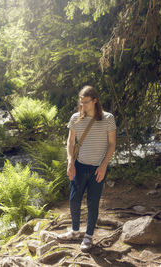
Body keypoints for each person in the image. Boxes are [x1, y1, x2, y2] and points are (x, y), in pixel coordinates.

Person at [57, 85, 116, 252]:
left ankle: (88, 236)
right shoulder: (76, 117)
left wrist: (104, 165)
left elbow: (112, 144)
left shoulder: (108, 118)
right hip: (79, 166)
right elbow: (70, 142)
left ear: (95, 101)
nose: (82, 105)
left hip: (98, 168)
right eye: (81, 102)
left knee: (92, 202)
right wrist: (70, 162)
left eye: (86, 102)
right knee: (74, 199)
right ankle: (75, 231)